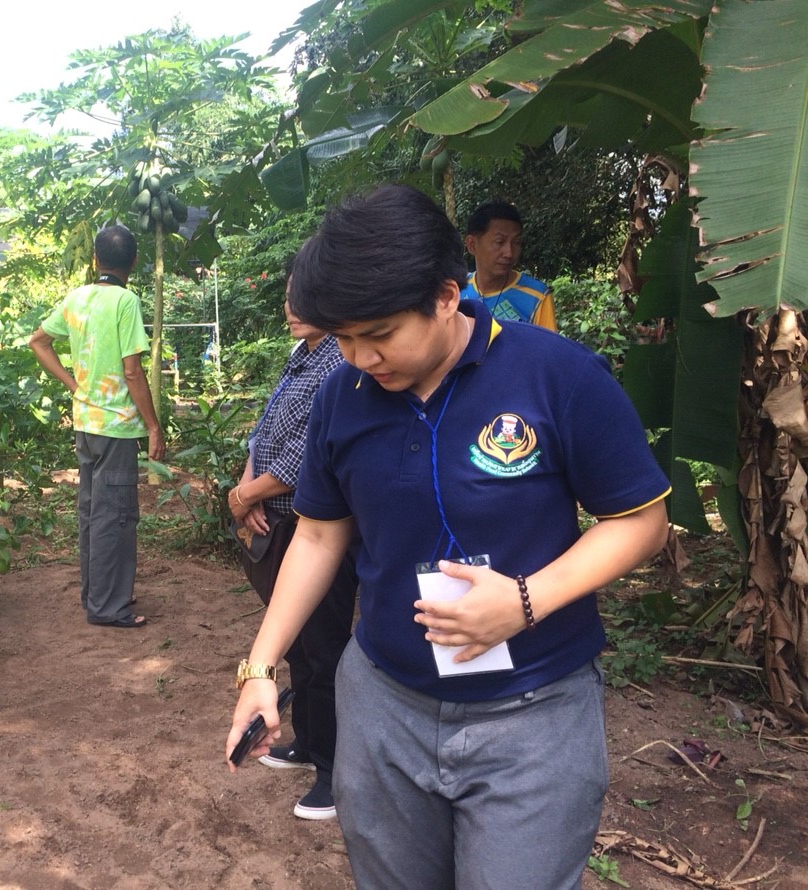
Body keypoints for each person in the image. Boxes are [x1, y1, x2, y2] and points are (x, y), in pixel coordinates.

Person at [225, 185, 671, 889]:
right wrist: (260, 667)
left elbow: (641, 521)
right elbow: (317, 536)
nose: (360, 358)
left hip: (534, 712)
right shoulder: (343, 395)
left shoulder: (556, 375)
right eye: (343, 339)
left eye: (379, 335)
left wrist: (525, 600)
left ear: (444, 295)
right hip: (385, 705)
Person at [228, 281, 358, 821]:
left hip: (319, 523)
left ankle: (334, 771)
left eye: (305, 296)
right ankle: (307, 742)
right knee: (300, 647)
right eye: (288, 296)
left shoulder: (341, 362)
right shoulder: (301, 356)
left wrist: (246, 495)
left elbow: (307, 456)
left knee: (324, 647)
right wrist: (246, 488)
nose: (293, 308)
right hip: (279, 519)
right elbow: (264, 433)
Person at [29, 224, 164, 629]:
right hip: (115, 426)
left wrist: (74, 385)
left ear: (95, 260)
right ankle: (108, 606)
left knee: (92, 511)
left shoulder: (77, 297)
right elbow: (132, 372)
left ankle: (96, 593)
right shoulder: (126, 301)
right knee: (115, 515)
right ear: (134, 262)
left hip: (86, 423)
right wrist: (153, 426)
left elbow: (38, 341)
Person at [460, 199, 557, 330]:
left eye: (516, 242)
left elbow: (548, 343)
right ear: (472, 245)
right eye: (499, 242)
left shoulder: (537, 297)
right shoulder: (455, 291)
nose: (509, 253)